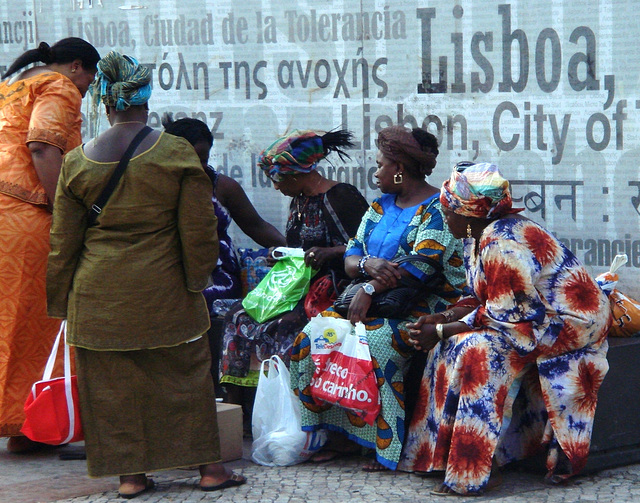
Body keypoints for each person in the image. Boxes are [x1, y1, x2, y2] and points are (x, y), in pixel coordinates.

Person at [46, 51, 245, 498]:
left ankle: (131, 478)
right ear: (145, 99)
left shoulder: (77, 161)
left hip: (98, 298)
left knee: (112, 391)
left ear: (105, 101)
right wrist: (196, 283)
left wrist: (60, 302)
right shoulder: (174, 152)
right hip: (165, 291)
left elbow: (63, 243)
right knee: (186, 379)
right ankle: (210, 471)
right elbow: (199, 232)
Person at [399, 162, 611, 496]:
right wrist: (444, 319)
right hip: (528, 317)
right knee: (448, 345)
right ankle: (440, 457)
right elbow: (483, 297)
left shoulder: (502, 241)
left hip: (570, 324)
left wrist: (445, 329)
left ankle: (478, 468)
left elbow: (512, 318)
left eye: (448, 211)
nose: (445, 218)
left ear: (470, 214)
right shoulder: (477, 233)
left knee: (478, 352)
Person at [289, 125, 466, 471]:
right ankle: (336, 433)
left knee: (379, 343)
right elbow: (351, 257)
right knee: (312, 337)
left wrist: (371, 287)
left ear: (399, 169)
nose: (376, 172)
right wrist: (368, 265)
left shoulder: (436, 208)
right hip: (369, 301)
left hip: (426, 303)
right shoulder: (379, 207)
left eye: (381, 164)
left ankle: (386, 445)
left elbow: (423, 264)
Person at [220, 129, 369, 433]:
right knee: (237, 316)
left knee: (283, 325)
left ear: (297, 174)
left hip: (336, 288)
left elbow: (368, 246)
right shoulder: (297, 203)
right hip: (298, 287)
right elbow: (297, 250)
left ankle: (299, 418)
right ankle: (240, 416)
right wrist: (285, 256)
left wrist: (330, 252)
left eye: (278, 179)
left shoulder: (342, 196)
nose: (275, 187)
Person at [0, 37, 100, 453]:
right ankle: (30, 421)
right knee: (37, 322)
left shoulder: (12, 84)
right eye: (90, 82)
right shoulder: (58, 86)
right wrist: (68, 211)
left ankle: (24, 427)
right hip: (26, 216)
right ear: (77, 67)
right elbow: (42, 145)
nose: (86, 92)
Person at [163, 117, 286, 396]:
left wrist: (293, 251)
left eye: (204, 158)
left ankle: (215, 389)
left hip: (216, 272)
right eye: (192, 158)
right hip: (171, 269)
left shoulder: (221, 186)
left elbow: (256, 226)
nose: (199, 166)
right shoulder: (158, 186)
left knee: (203, 298)